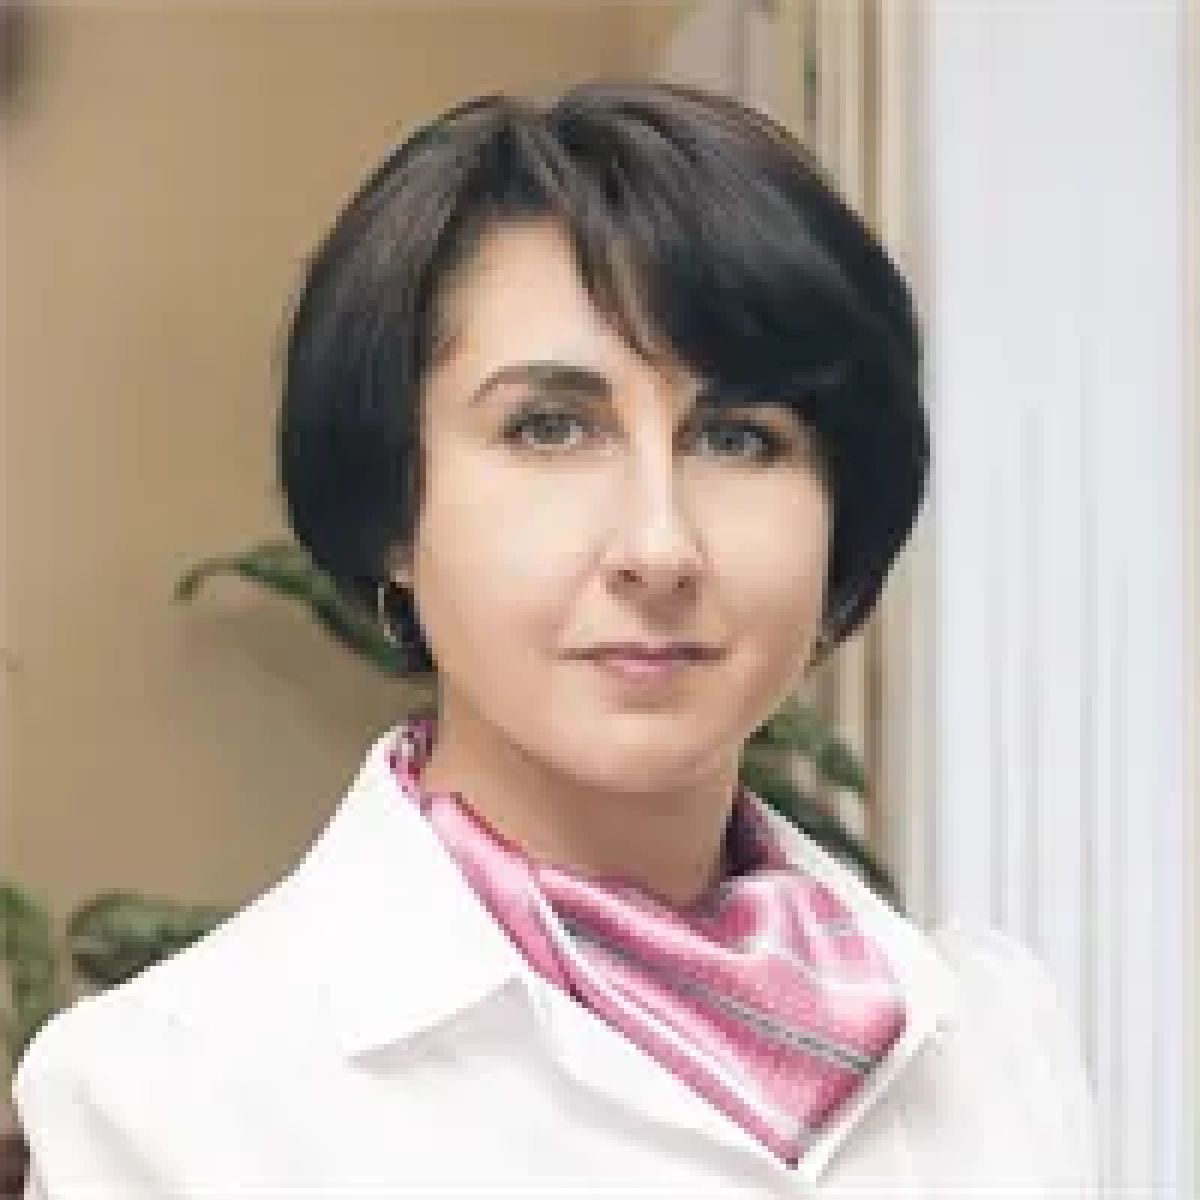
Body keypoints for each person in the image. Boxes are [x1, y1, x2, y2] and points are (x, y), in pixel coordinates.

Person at [13, 82, 1098, 1196]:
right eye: (550, 428)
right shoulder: (163, 1100)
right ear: (394, 511)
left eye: (738, 437)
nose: (659, 547)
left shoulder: (997, 1043)